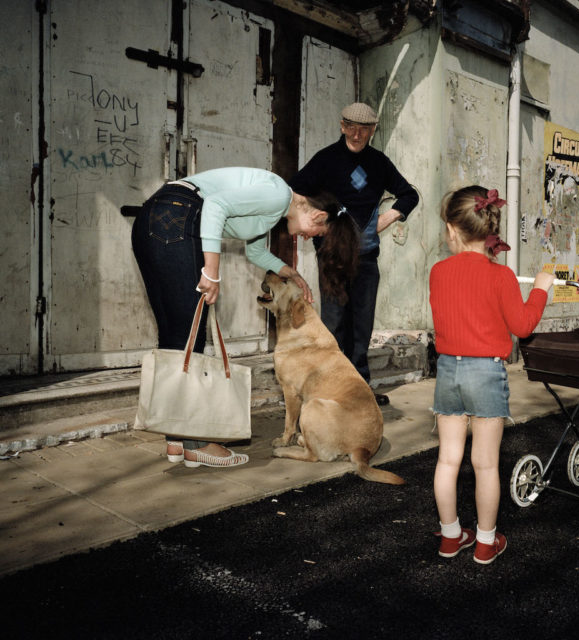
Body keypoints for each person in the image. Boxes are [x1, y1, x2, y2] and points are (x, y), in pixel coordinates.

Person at [132, 167, 359, 468]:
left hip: (159, 219)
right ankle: (196, 441)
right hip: (176, 216)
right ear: (318, 217)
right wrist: (211, 270)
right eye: (317, 234)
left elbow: (254, 251)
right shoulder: (278, 196)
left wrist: (288, 272)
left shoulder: (273, 208)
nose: (308, 237)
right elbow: (215, 206)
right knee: (191, 331)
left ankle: (177, 436)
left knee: (177, 334)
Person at [428, 186, 555, 565]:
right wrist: (541, 291)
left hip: (448, 369)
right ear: (489, 230)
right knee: (485, 463)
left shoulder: (438, 271)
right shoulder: (501, 277)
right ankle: (485, 541)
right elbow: (524, 325)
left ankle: (451, 536)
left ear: (452, 230)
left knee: (448, 460)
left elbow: (459, 302)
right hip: (486, 372)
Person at [289, 102, 419, 406]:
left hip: (366, 257)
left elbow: (409, 194)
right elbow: (294, 191)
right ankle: (328, 388)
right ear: (341, 125)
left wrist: (386, 219)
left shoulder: (379, 163)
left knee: (362, 326)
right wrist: (313, 219)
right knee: (333, 325)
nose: (357, 134)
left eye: (364, 128)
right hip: (332, 258)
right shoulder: (326, 159)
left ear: (373, 130)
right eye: (350, 126)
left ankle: (359, 387)